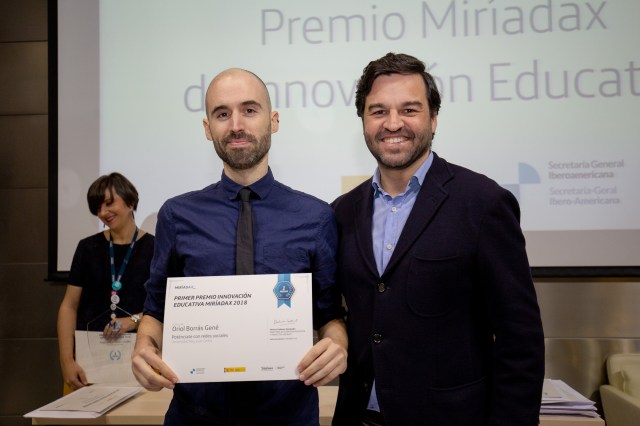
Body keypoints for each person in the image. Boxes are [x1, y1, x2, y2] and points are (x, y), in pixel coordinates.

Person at [331, 52, 545, 425]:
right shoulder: (341, 212)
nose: (393, 123)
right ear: (363, 121)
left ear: (433, 119)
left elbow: (520, 342)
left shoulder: (483, 204)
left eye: (409, 110)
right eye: (378, 111)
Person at [131, 68, 348, 425]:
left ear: (273, 120)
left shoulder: (316, 216)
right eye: (221, 113)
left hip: (288, 416)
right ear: (207, 129)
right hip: (196, 415)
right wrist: (143, 348)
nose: (235, 125)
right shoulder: (175, 215)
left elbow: (328, 314)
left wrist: (338, 345)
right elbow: (156, 309)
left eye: (250, 110)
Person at [57, 172, 154, 392]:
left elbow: (165, 307)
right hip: (87, 365)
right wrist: (67, 361)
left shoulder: (155, 248)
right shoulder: (87, 248)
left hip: (139, 363)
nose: (103, 213)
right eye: (97, 208)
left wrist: (133, 321)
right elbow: (68, 306)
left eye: (109, 204)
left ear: (130, 201)